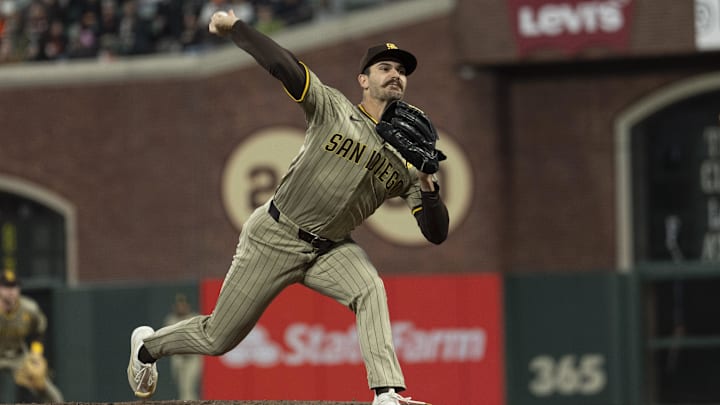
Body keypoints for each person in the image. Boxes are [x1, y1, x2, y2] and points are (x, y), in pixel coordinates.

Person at [126, 8, 449, 405]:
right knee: (217, 338)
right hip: (275, 235)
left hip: (331, 249)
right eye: (385, 67)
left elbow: (436, 233)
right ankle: (147, 347)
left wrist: (427, 182)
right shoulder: (333, 107)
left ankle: (386, 394)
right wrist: (236, 29)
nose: (395, 74)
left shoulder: (408, 159)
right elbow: (285, 66)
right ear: (363, 80)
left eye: (401, 70)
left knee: (370, 289)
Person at [0, 269, 63, 403]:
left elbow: (39, 331)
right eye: (6, 287)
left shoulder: (29, 309)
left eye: (14, 286)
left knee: (54, 396)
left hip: (18, 357)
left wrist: (35, 354)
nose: (11, 291)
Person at [163, 293, 202, 400]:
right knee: (182, 388)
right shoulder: (171, 320)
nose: (181, 307)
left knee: (188, 388)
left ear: (188, 305)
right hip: (178, 358)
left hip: (192, 357)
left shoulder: (195, 319)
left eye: (183, 304)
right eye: (179, 305)